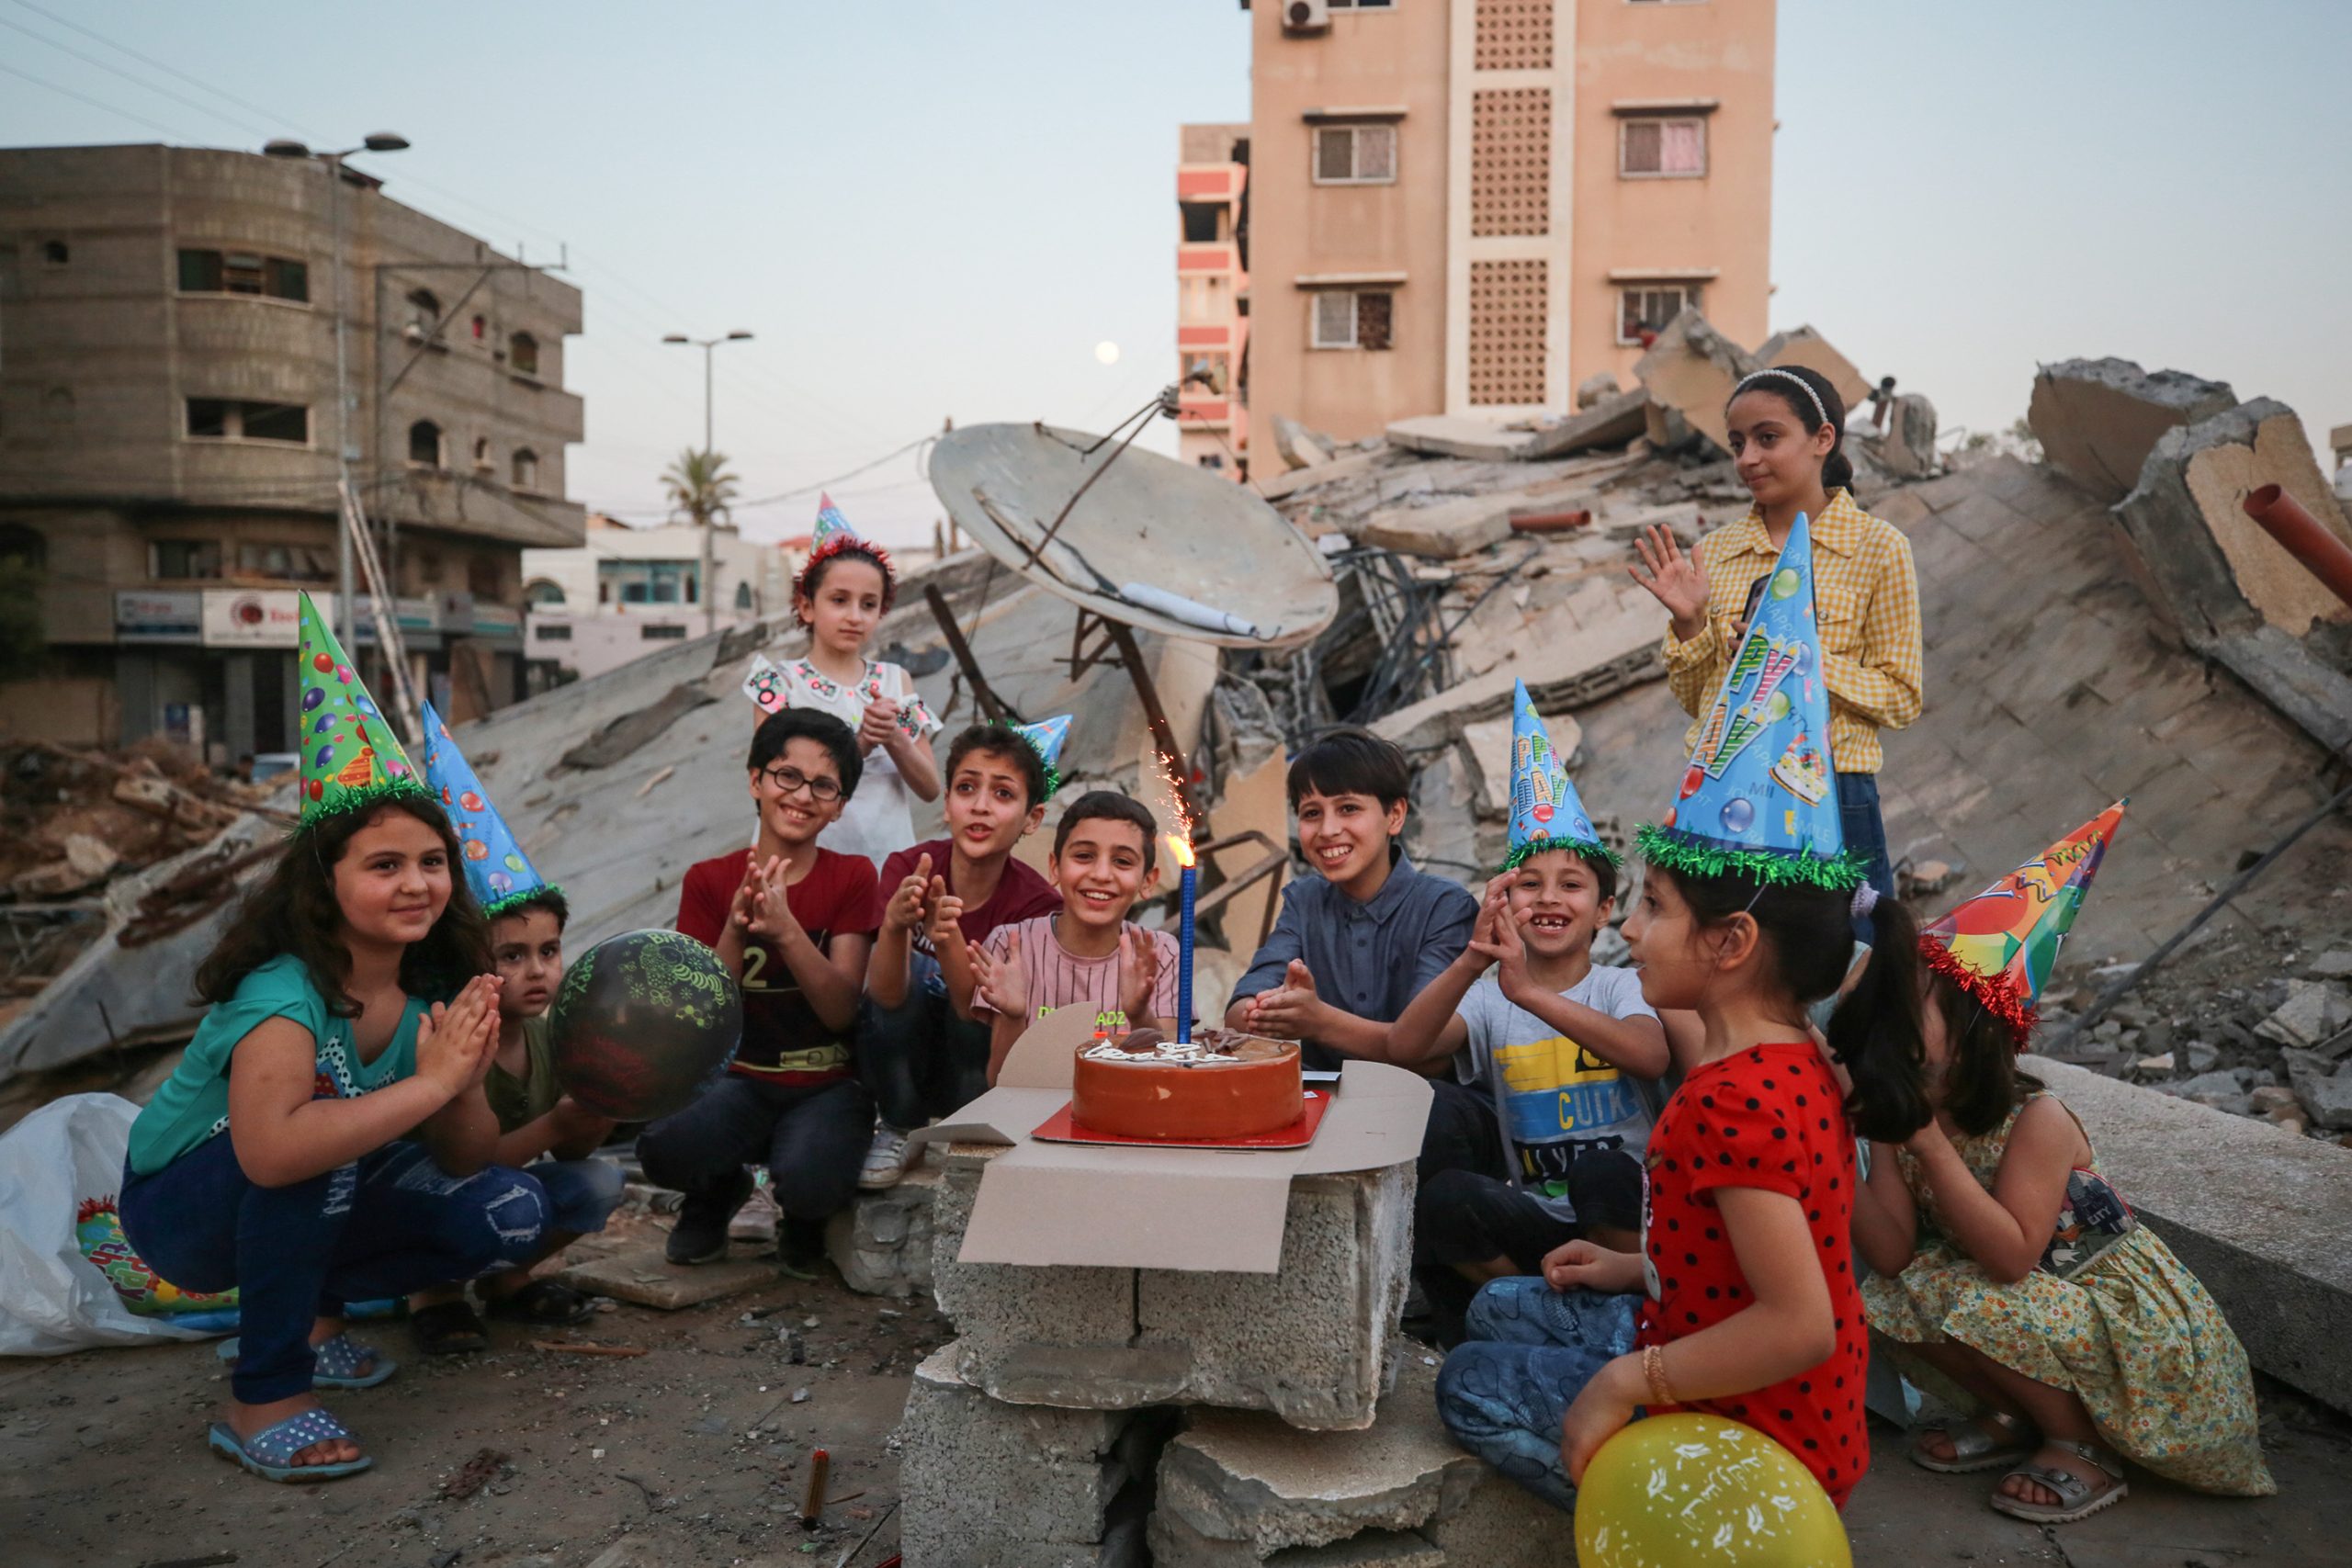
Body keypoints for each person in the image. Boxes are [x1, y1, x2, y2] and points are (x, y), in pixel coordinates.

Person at [1439, 513, 1932, 1514]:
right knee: (1499, 1302)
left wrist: (1631, 1383)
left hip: (1761, 1436)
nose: (1627, 923)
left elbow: (1798, 1324)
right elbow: (1748, 1264)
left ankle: (1664, 1510)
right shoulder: (1789, 1054)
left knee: (1465, 1381)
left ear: (1730, 945)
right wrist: (1636, 1271)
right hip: (1762, 1378)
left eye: (1651, 907)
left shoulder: (1728, 1102)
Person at [118, 594, 547, 1483]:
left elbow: (467, 1155)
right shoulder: (283, 990)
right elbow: (271, 1153)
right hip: (183, 1213)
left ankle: (315, 1320)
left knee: (514, 1207)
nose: (417, 883)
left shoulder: (431, 983)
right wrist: (425, 1088)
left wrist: (458, 1078)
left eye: (432, 862)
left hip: (302, 1188)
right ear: (327, 879)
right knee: (320, 1145)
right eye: (384, 865)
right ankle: (263, 1393)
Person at [1856, 803, 2275, 1523]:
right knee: (1890, 1298)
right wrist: (1834, 1143)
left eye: (1903, 1008)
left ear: (1973, 1030)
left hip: (2131, 1331)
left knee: (1967, 1293)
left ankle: (2081, 1444)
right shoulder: (1907, 1112)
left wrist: (1923, 1140)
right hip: (2036, 1311)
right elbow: (1892, 1254)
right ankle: (2016, 1414)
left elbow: (2013, 1257)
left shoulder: (2037, 1120)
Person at [1387, 683, 1665, 1344]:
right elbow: (1406, 1048)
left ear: (1603, 911)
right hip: (1537, 1212)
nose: (1548, 898)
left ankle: (1627, 1316)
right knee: (1446, 1195)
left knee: (1604, 1170)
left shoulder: (1617, 985)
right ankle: (1540, 1312)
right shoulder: (1489, 995)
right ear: (1506, 903)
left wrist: (1535, 995)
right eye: (1529, 884)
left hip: (1629, 1213)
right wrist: (1470, 961)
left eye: (1571, 885)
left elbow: (1649, 1054)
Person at [1630, 362, 1922, 917]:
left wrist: (1796, 656)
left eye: (1768, 439)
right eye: (1737, 443)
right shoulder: (1716, 553)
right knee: (1715, 963)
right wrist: (1690, 624)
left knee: (1844, 968)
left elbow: (1902, 697)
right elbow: (1700, 702)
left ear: (1823, 439)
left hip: (1832, 791)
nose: (1747, 460)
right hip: (1722, 780)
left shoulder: (1879, 548)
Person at [404, 702, 625, 1353]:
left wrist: (597, 1106)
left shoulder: (551, 1034)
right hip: (435, 1199)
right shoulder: (444, 1032)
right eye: (511, 955)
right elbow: (454, 1164)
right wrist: (555, 1123)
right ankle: (432, 1294)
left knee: (601, 1181)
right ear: (468, 959)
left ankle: (509, 1281)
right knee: (489, 1195)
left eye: (549, 951)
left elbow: (576, 1155)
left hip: (506, 1192)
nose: (538, 972)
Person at [639, 708, 880, 1277]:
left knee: (814, 1179)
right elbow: (699, 1013)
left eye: (824, 785)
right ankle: (718, 1190)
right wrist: (736, 927)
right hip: (737, 1078)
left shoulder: (853, 877)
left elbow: (842, 1010)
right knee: (664, 1149)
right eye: (786, 776)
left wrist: (788, 932)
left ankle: (802, 1217)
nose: (802, 795)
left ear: (840, 805)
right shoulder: (710, 880)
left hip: (825, 1082)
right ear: (756, 780)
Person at [1225, 728, 1487, 1179]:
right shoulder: (1304, 902)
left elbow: (1425, 1049)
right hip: (1329, 1107)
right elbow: (1240, 1015)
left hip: (1432, 1114)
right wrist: (1271, 1008)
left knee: (1426, 1113)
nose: (1328, 830)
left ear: (1395, 815)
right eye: (1311, 813)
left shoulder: (1445, 906)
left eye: (1348, 808)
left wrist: (1315, 1020)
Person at [855, 717, 1066, 1190]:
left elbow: (977, 1017)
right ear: (947, 803)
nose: (981, 807)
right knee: (901, 984)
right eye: (967, 788)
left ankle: (967, 1133)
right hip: (902, 1058)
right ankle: (898, 1125)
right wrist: (894, 925)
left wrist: (947, 939)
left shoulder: (1036, 906)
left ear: (1033, 819)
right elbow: (884, 998)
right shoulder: (908, 867)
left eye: (1004, 794)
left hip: (972, 1067)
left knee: (981, 1006)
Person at [759, 495, 942, 869]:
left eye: (869, 604)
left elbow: (929, 788)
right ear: (807, 606)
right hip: (799, 869)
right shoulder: (779, 684)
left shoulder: (896, 681)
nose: (855, 616)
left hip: (883, 862)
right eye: (839, 600)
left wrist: (893, 737)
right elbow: (769, 787)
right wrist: (858, 744)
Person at [968, 789, 1180, 1083]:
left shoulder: (1161, 953)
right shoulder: (1012, 946)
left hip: (1123, 1113)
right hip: (1032, 1118)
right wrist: (1015, 1016)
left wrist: (1140, 1013)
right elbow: (999, 1083)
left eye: (1122, 861)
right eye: (1084, 856)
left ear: (1148, 882)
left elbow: (1164, 1077)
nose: (1101, 874)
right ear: (1055, 867)